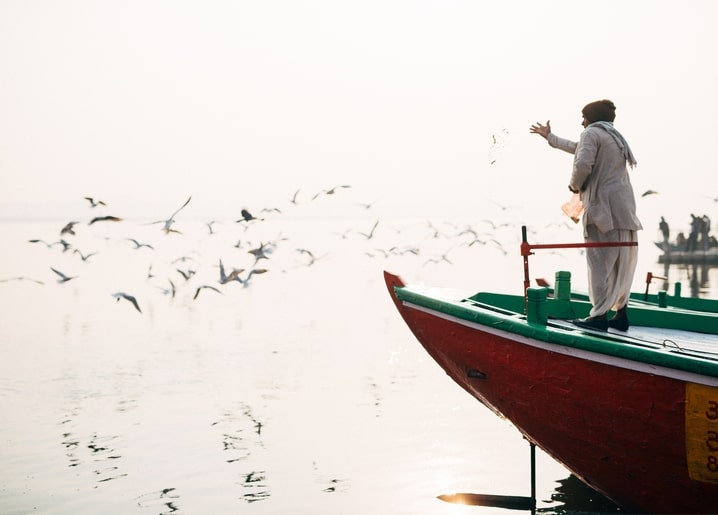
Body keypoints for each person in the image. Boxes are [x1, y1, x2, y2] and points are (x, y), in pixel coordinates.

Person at [530, 99, 642, 331]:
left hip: (603, 211)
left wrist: (574, 187)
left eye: (584, 117)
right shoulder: (614, 136)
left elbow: (582, 163)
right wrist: (550, 137)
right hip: (624, 211)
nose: (582, 122)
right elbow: (578, 147)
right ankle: (620, 315)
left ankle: (598, 317)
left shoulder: (592, 133)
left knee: (599, 264)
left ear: (592, 118)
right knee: (622, 264)